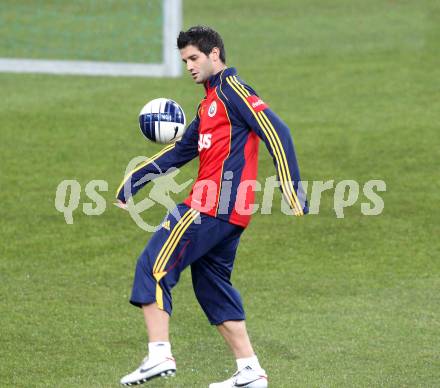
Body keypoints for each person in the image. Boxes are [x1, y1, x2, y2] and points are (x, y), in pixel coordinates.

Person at [116, 25, 308, 387]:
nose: (188, 66)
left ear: (215, 54)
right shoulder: (208, 104)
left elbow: (276, 130)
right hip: (229, 213)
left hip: (210, 205)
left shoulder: (234, 91)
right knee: (212, 286)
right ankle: (250, 371)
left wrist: (291, 187)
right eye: (185, 60)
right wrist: (133, 181)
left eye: (194, 58)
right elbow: (180, 150)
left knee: (153, 266)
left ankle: (159, 354)